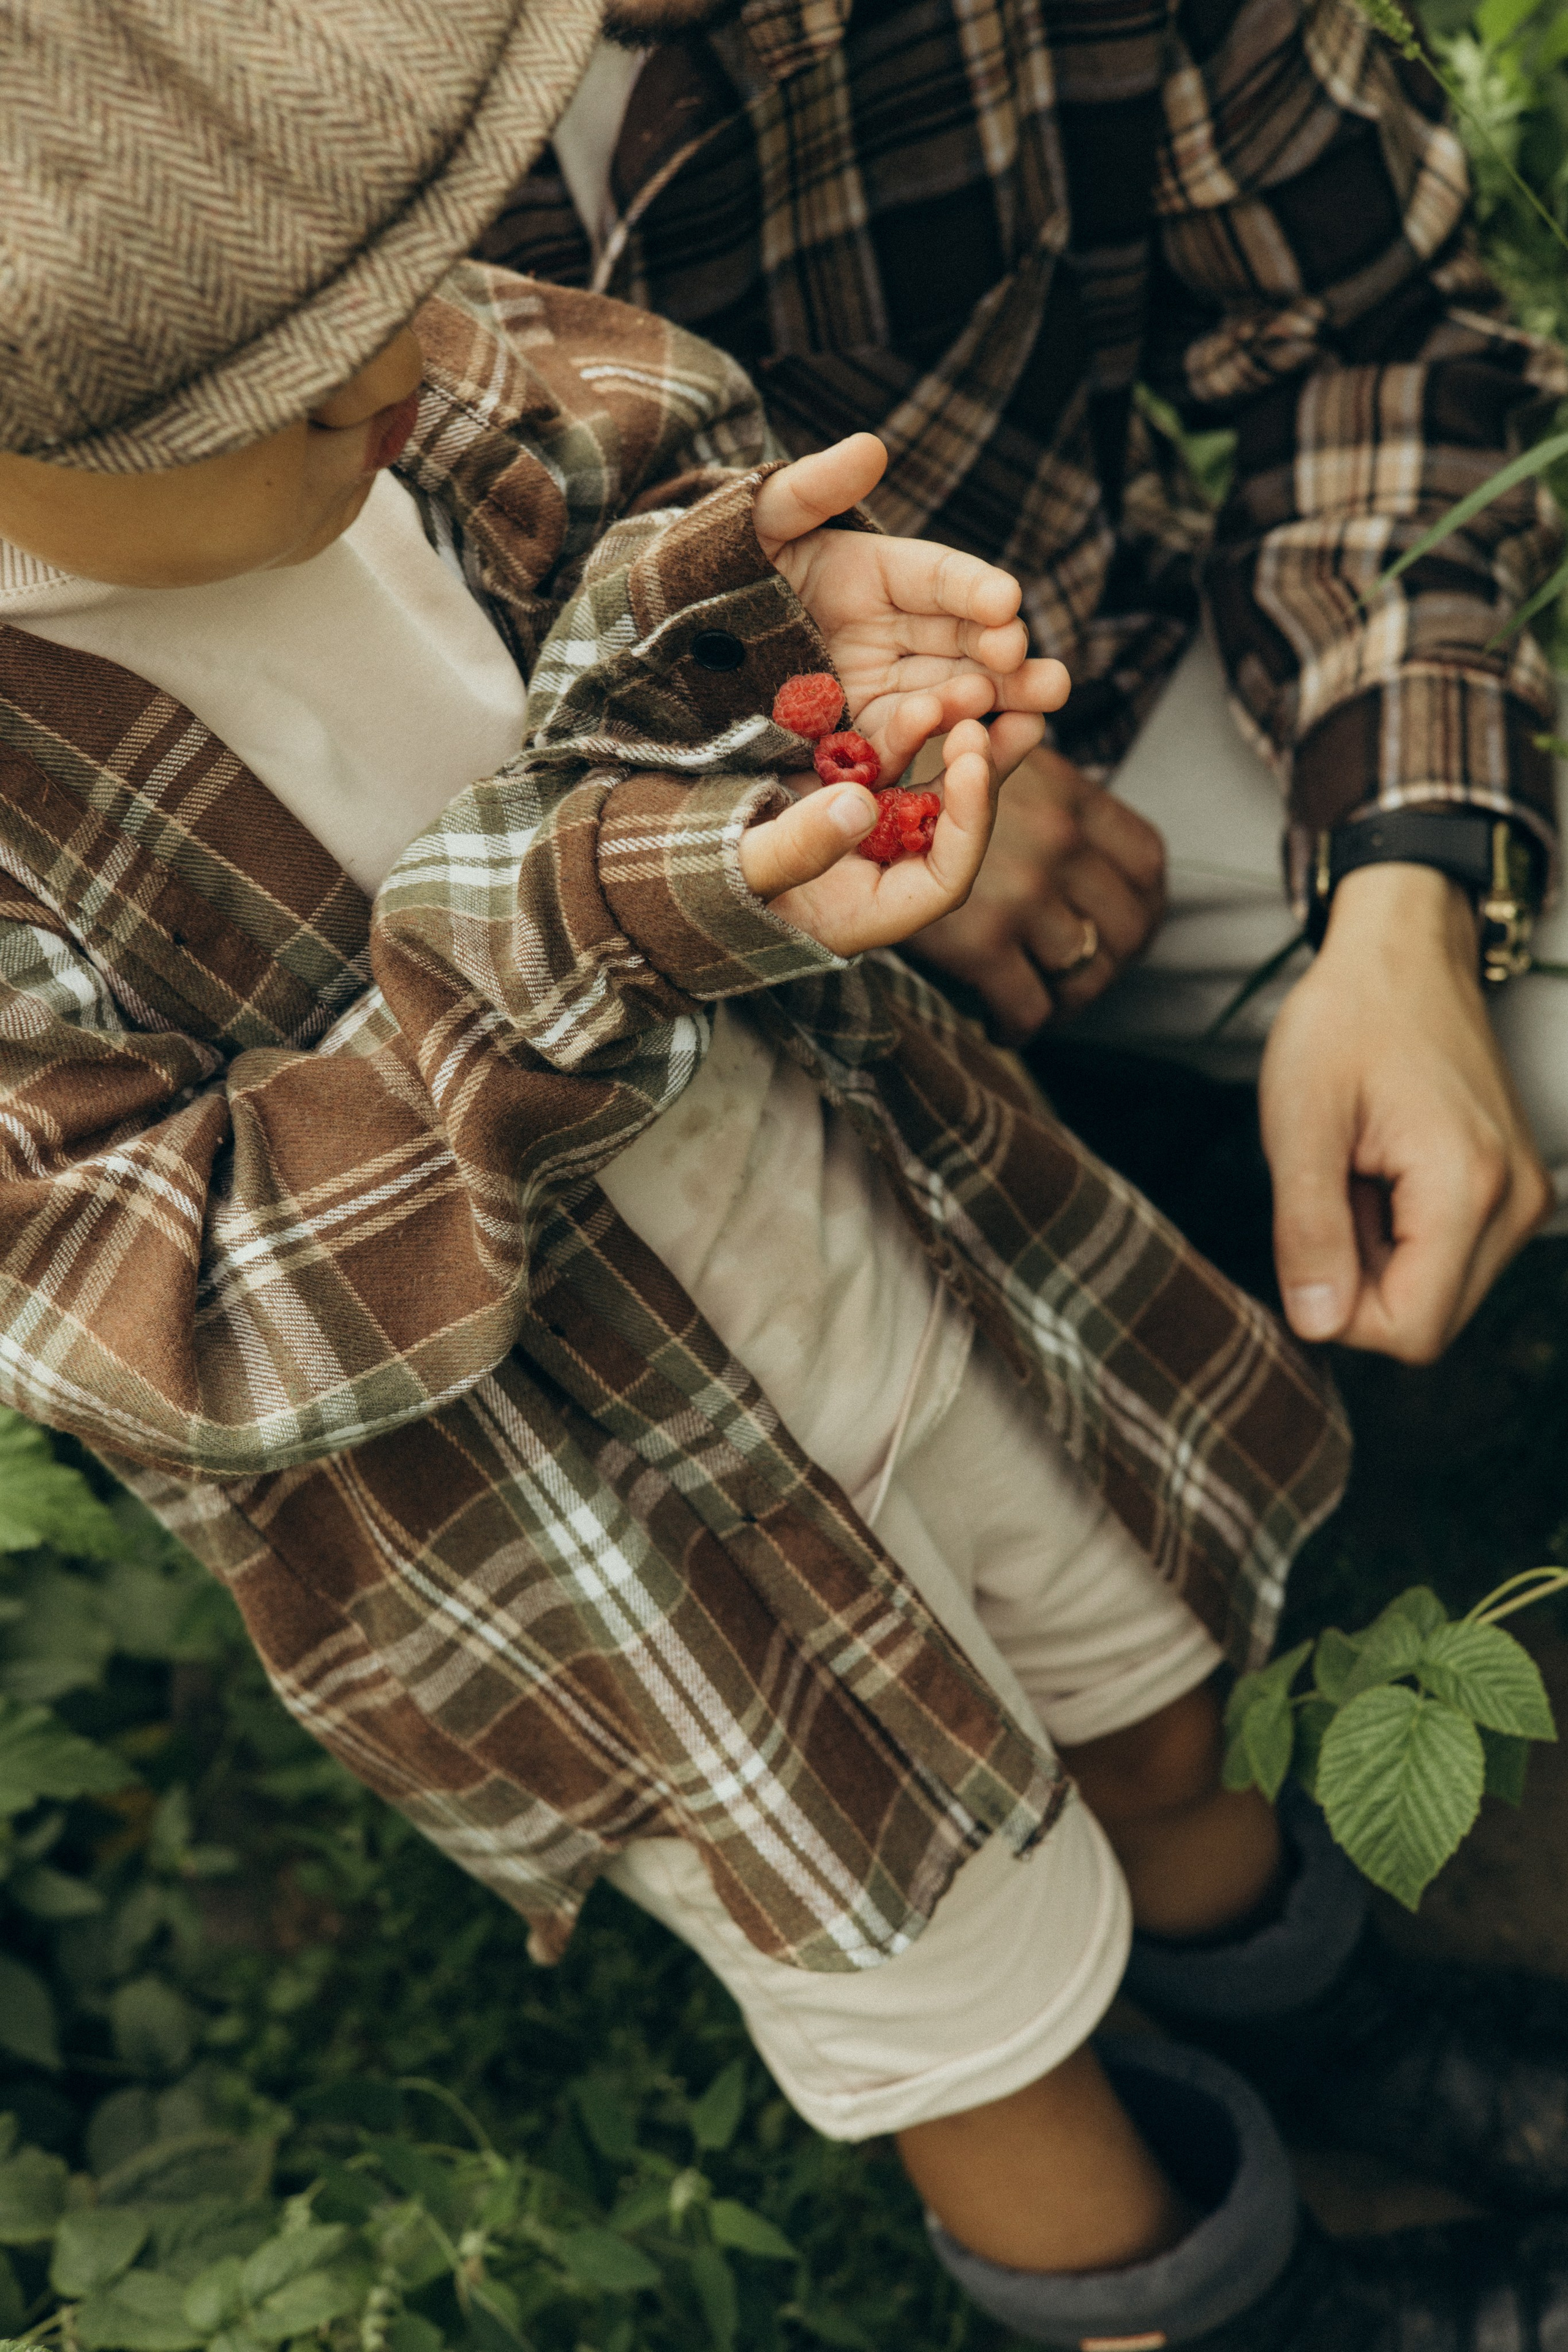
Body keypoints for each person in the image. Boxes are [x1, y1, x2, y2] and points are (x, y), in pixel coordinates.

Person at [1, 7, 1566, 2350]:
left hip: (866, 1224)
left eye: (421, 295)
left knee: (1143, 1670)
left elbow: (609, 454)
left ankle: (1326, 2019)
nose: (416, 370)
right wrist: (584, 919)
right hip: (593, 1510)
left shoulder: (362, 361)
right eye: (322, 384)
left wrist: (754, 597)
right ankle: (1213, 2302)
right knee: (962, 1985)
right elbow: (170, 1299)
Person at [477, 0, 1568, 1372]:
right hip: (574, 894)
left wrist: (1408, 893)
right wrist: (822, 790)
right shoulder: (248, 130)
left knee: (1541, 1048)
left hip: (1089, 697)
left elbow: (1377, 348)